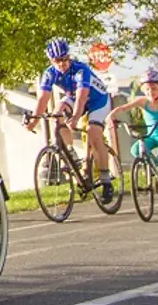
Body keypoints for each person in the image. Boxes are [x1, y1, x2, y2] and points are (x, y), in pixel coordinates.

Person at [29, 39, 116, 198]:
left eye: (64, 59)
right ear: (51, 61)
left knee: (93, 133)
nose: (62, 64)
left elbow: (82, 98)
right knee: (58, 113)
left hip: (98, 100)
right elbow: (42, 99)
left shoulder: (81, 70)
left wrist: (75, 118)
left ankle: (106, 180)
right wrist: (33, 121)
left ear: (69, 56)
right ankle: (71, 152)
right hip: (75, 97)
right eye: (57, 61)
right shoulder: (49, 73)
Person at [108, 69, 158, 189]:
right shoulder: (143, 102)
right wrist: (112, 114)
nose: (150, 92)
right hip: (151, 135)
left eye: (153, 89)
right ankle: (155, 166)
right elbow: (124, 108)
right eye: (147, 89)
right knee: (136, 150)